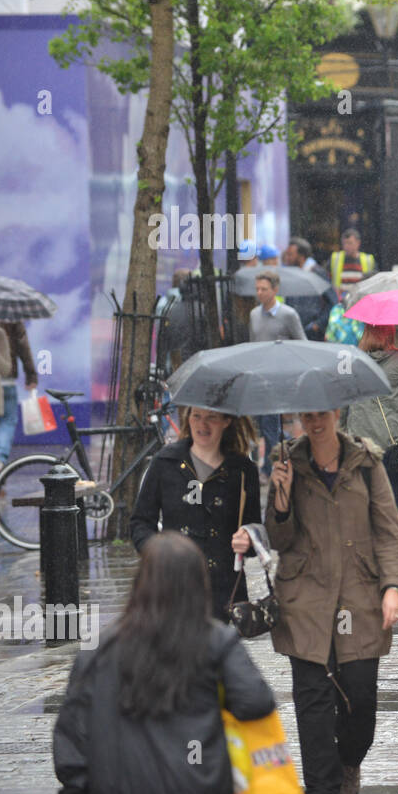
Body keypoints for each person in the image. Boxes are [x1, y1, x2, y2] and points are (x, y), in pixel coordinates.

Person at [54, 532, 277, 794]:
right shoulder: (216, 641)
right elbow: (256, 701)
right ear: (198, 583)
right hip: (198, 785)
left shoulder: (99, 651)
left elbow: (71, 741)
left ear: (141, 582)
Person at [265, 405, 398, 794]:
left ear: (337, 413)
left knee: (359, 702)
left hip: (358, 600)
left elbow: (389, 531)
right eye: (307, 415)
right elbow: (278, 540)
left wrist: (392, 586)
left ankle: (348, 762)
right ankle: (322, 790)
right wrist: (280, 498)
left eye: (321, 414)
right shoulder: (287, 462)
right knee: (312, 710)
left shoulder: (366, 462)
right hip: (303, 603)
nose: (314, 422)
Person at [131, 407, 261, 621]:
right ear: (187, 418)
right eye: (196, 416)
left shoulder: (243, 470)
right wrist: (158, 553)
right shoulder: (165, 462)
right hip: (173, 587)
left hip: (223, 593)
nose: (202, 425)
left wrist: (248, 538)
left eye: (211, 417)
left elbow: (254, 528)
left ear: (226, 421)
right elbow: (140, 523)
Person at [341, 325, 398, 520]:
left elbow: (343, 403)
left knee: (363, 501)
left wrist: (342, 433)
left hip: (359, 444)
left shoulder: (351, 362)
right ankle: (393, 542)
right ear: (391, 334)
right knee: (395, 501)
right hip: (393, 442)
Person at [249, 269, 306, 474]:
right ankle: (262, 463)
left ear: (275, 290)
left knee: (272, 424)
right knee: (260, 425)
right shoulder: (254, 314)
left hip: (280, 378)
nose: (260, 293)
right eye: (257, 289)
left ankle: (269, 467)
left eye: (264, 289)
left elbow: (302, 343)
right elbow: (253, 344)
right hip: (259, 377)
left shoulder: (288, 315)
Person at [0, 320, 37, 473]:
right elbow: (23, 345)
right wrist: (31, 375)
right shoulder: (10, 316)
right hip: (7, 382)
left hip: (4, 379)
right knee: (7, 422)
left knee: (7, 421)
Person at [283, 238, 336, 341]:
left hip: (313, 335)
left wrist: (318, 324)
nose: (287, 258)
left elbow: (333, 301)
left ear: (301, 256)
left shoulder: (317, 273)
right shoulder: (292, 274)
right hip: (295, 332)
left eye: (290, 255)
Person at [328, 228, 376, 295]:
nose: (346, 246)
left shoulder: (368, 260)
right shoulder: (335, 258)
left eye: (350, 243)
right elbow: (327, 280)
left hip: (359, 300)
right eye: (344, 243)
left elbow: (374, 282)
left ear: (358, 243)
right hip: (341, 301)